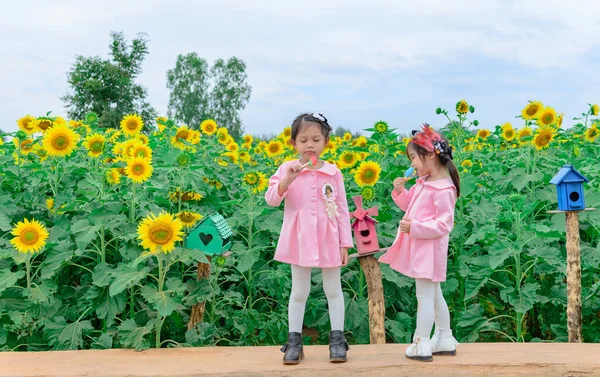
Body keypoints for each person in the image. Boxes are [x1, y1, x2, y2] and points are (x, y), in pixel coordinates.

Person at [265, 112, 353, 364]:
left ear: (326, 142)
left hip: (329, 237)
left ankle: (337, 341)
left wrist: (345, 243)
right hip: (299, 236)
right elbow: (271, 199)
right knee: (299, 291)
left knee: (333, 290)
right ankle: (294, 342)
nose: (310, 145)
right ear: (294, 143)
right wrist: (287, 180)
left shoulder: (334, 173)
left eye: (316, 139)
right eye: (303, 140)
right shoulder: (287, 169)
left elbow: (342, 208)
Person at [379, 124, 461, 362]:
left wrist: (414, 228)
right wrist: (400, 192)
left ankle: (421, 341)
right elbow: (410, 207)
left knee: (424, 297)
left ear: (430, 155)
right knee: (434, 295)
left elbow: (444, 225)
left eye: (413, 157)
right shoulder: (423, 183)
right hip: (422, 249)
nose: (412, 163)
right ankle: (444, 337)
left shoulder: (444, 189)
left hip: (429, 251)